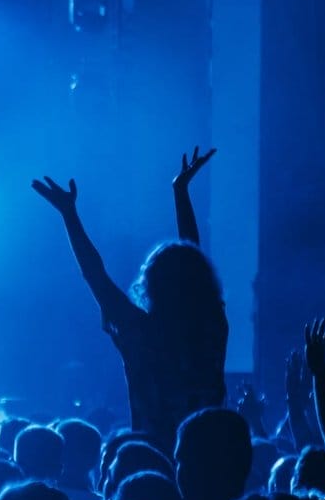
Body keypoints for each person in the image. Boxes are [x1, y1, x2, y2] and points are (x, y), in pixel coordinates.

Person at [32, 149, 227, 452]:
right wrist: (180, 192)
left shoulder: (141, 333)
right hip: (212, 457)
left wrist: (70, 215)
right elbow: (191, 263)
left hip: (152, 457)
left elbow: (95, 275)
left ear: (151, 284)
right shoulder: (213, 329)